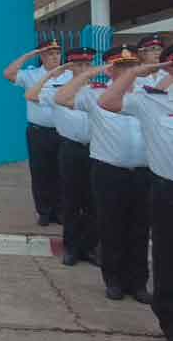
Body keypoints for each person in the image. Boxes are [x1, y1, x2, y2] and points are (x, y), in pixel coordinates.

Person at [54, 45, 151, 303]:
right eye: (120, 67)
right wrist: (88, 74)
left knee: (140, 229)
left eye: (131, 67)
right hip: (108, 171)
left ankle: (138, 283)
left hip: (144, 173)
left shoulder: (150, 94)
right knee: (111, 227)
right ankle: (114, 281)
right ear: (110, 70)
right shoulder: (94, 95)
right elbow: (61, 99)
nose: (126, 72)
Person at [99, 46, 173, 340]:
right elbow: (107, 101)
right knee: (166, 257)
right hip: (165, 188)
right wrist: (136, 71)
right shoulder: (151, 99)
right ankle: (168, 319)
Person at [25, 48, 99, 266]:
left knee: (93, 202)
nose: (84, 69)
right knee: (72, 200)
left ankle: (92, 248)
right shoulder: (58, 91)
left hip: (96, 149)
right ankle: (72, 248)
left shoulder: (100, 90)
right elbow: (30, 96)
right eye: (78, 65)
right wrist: (51, 74)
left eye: (87, 65)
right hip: (70, 149)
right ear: (70, 67)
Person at [4, 39, 71, 226]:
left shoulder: (69, 76)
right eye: (50, 53)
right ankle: (44, 211)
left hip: (63, 132)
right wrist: (28, 56)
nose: (55, 56)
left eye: (57, 52)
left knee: (62, 173)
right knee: (41, 173)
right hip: (38, 132)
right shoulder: (32, 75)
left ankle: (60, 211)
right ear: (41, 56)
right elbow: (8, 74)